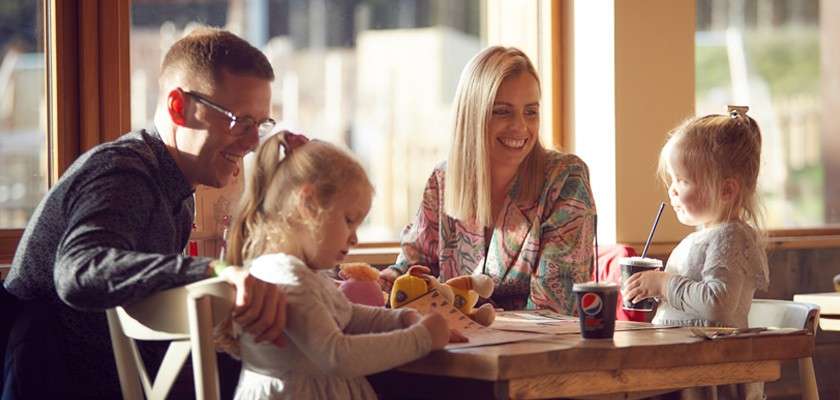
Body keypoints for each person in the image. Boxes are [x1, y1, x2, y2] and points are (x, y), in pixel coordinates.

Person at [2, 27, 287, 399]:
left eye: (261, 125)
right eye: (239, 121)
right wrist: (214, 271)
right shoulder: (124, 172)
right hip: (52, 381)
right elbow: (79, 272)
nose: (252, 143)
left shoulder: (176, 187)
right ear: (178, 108)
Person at [221, 133, 453, 400]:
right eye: (349, 220)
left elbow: (349, 315)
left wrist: (404, 318)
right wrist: (421, 338)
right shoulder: (285, 278)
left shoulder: (302, 273)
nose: (354, 238)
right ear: (307, 204)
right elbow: (337, 355)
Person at [379, 46, 596, 314]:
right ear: (472, 116)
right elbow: (412, 271)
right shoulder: (442, 181)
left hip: (530, 353)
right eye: (502, 111)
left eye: (531, 112)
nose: (520, 127)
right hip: (451, 347)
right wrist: (382, 284)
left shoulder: (565, 179)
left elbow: (554, 309)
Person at [623, 106, 769, 400]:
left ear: (726, 190)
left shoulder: (731, 238)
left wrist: (664, 284)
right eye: (672, 180)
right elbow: (690, 301)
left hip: (711, 381)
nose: (672, 190)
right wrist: (653, 291)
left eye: (683, 180)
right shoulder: (703, 237)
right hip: (683, 373)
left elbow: (718, 305)